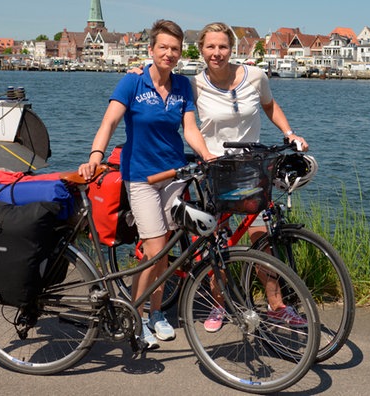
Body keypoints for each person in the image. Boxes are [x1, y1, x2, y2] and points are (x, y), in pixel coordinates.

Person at [78, 19, 214, 349]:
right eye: (163, 47)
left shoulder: (182, 86)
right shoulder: (132, 83)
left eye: (175, 49)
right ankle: (135, 316)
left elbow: (190, 129)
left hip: (173, 175)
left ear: (181, 54)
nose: (169, 53)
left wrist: (208, 157)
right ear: (151, 50)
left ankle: (156, 314)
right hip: (140, 176)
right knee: (153, 249)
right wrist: (96, 155)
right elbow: (109, 120)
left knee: (163, 250)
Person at [194, 22, 310, 332]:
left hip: (252, 170)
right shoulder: (193, 85)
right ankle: (218, 303)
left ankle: (277, 305)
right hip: (214, 170)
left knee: (262, 240)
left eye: (222, 46)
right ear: (201, 49)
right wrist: (140, 72)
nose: (217, 52)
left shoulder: (254, 76)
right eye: (211, 46)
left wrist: (288, 132)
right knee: (216, 242)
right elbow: (160, 84)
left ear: (231, 48)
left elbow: (270, 106)